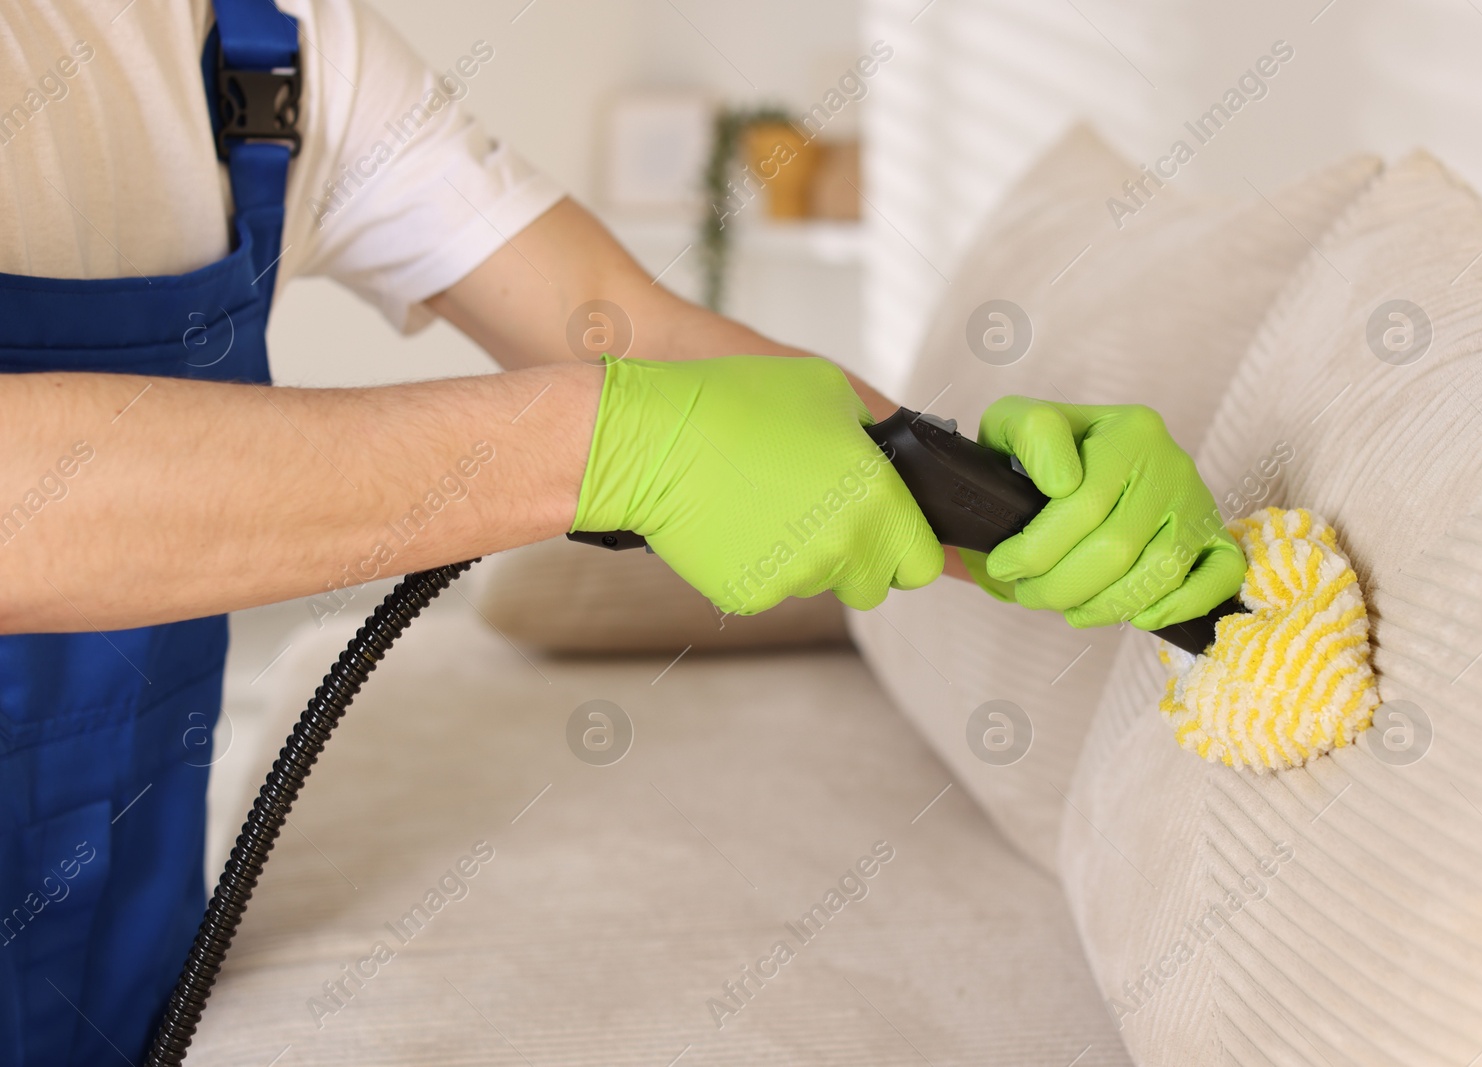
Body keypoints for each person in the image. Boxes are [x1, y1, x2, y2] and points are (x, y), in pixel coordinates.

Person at [0, 1, 1244, 1063]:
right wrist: (607, 448)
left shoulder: (265, 48)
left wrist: (1011, 512)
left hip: (112, 942)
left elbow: (608, 324)